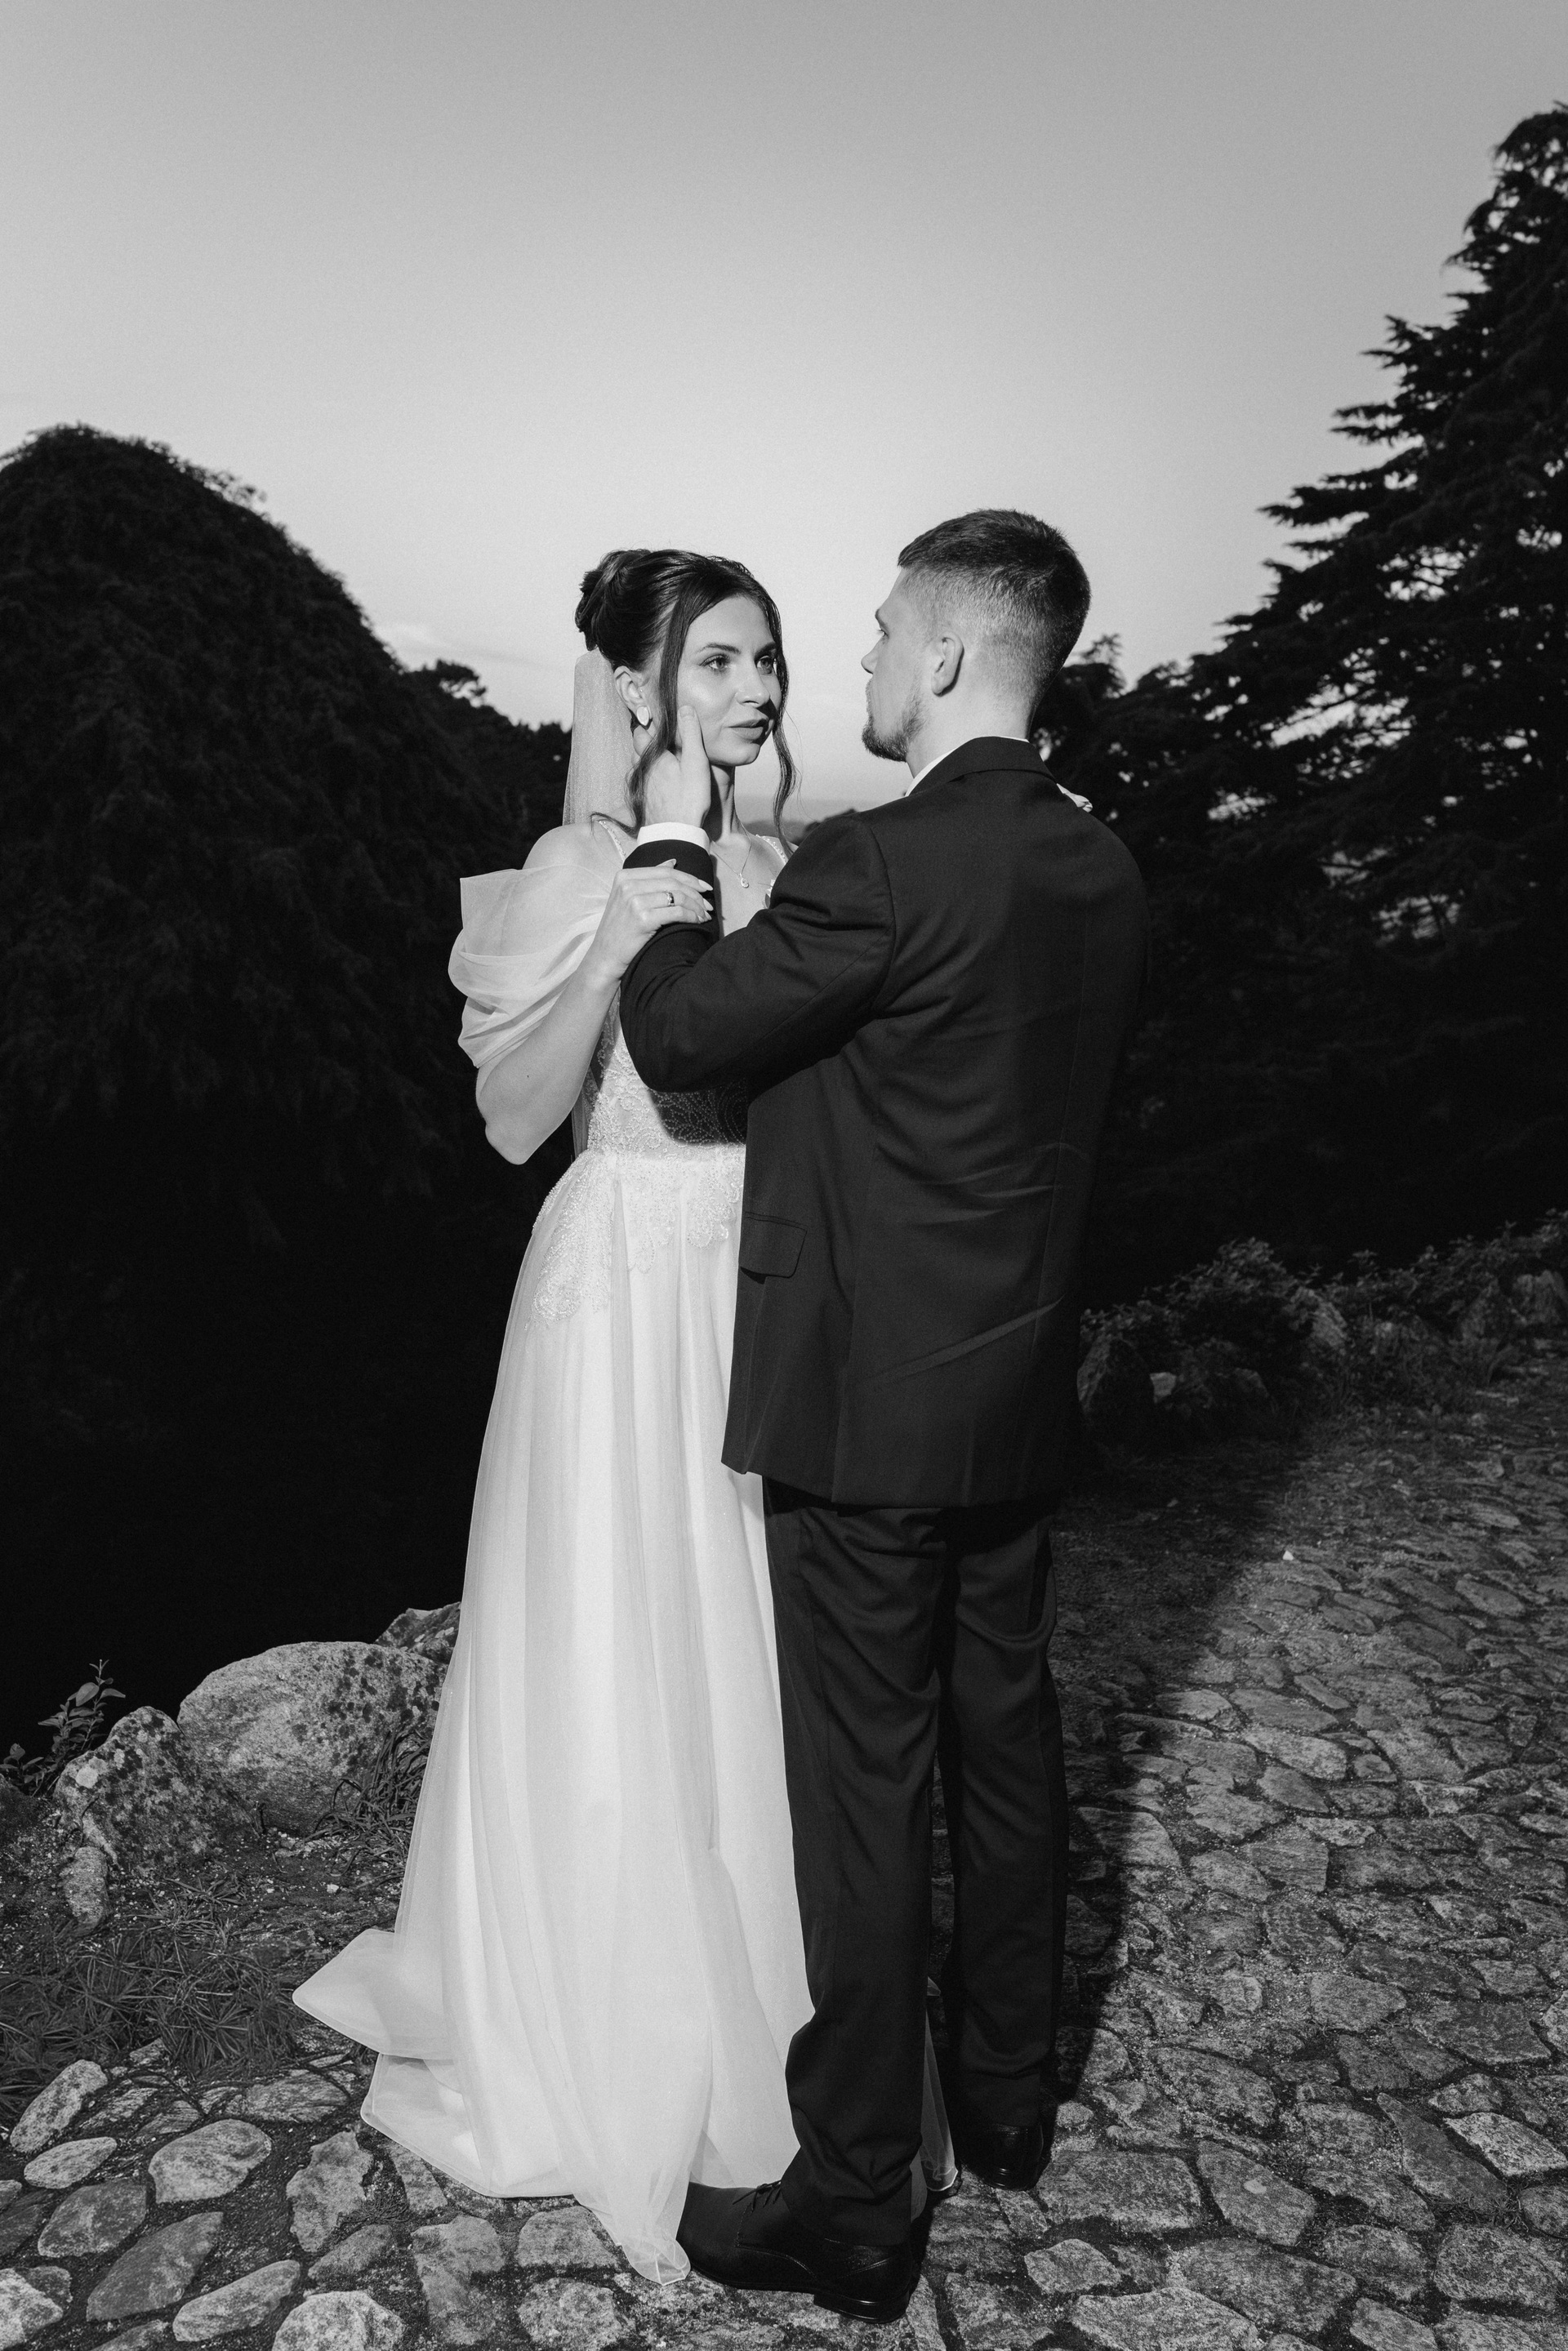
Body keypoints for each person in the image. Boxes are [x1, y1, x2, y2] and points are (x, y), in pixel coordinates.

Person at [293, 547, 951, 2284]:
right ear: (644, 688)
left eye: (770, 659)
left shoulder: (797, 869)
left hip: (759, 1280)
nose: (757, 689)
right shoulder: (572, 868)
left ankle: (787, 2017)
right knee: (614, 1630)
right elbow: (516, 1121)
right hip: (615, 1286)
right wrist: (613, 955)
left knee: (758, 1640)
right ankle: (604, 1997)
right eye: (720, 660)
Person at [617, 510, 1150, 2322]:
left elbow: (683, 1036)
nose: (850, 664)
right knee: (1006, 1742)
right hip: (1015, 1395)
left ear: (942, 656)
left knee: (864, 1793)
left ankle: (853, 2200)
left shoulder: (880, 866)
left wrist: (670, 846)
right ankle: (1005, 2102)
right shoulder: (1101, 866)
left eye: (872, 635)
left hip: (863, 1415)